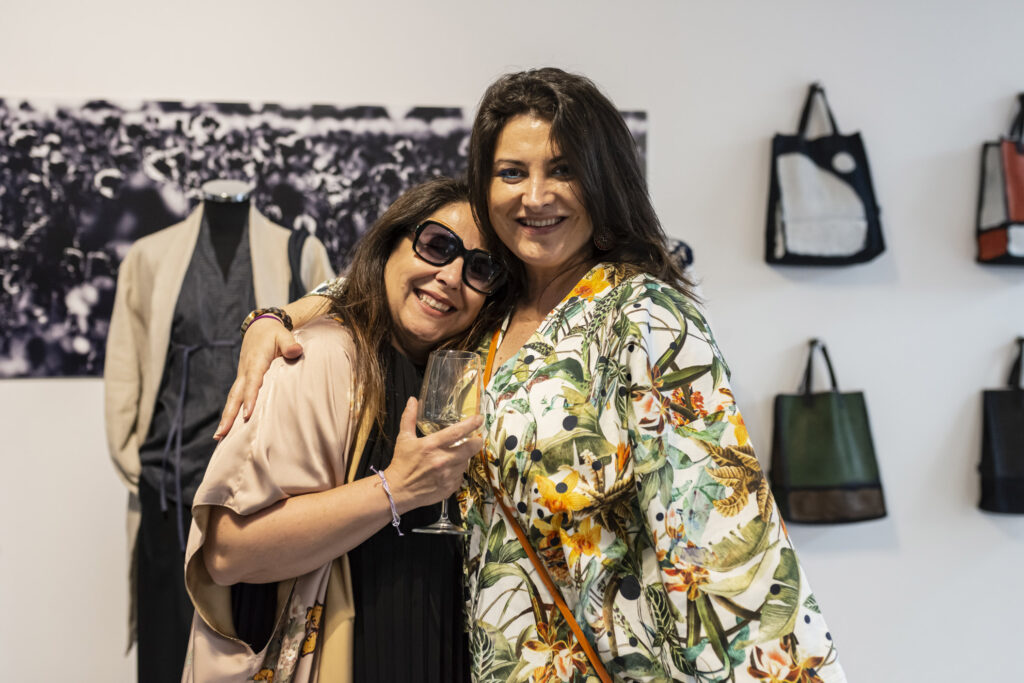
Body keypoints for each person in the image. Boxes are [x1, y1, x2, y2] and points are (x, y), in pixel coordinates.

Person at [216, 68, 847, 683]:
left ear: (603, 181)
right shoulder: (489, 308)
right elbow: (380, 280)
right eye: (512, 172)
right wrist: (274, 317)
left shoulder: (641, 315)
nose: (536, 196)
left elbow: (724, 536)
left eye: (563, 170)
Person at [183, 177, 511, 682]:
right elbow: (228, 552)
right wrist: (396, 489)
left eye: (480, 268)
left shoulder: (455, 371)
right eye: (436, 245)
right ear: (391, 244)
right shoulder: (316, 358)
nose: (451, 276)